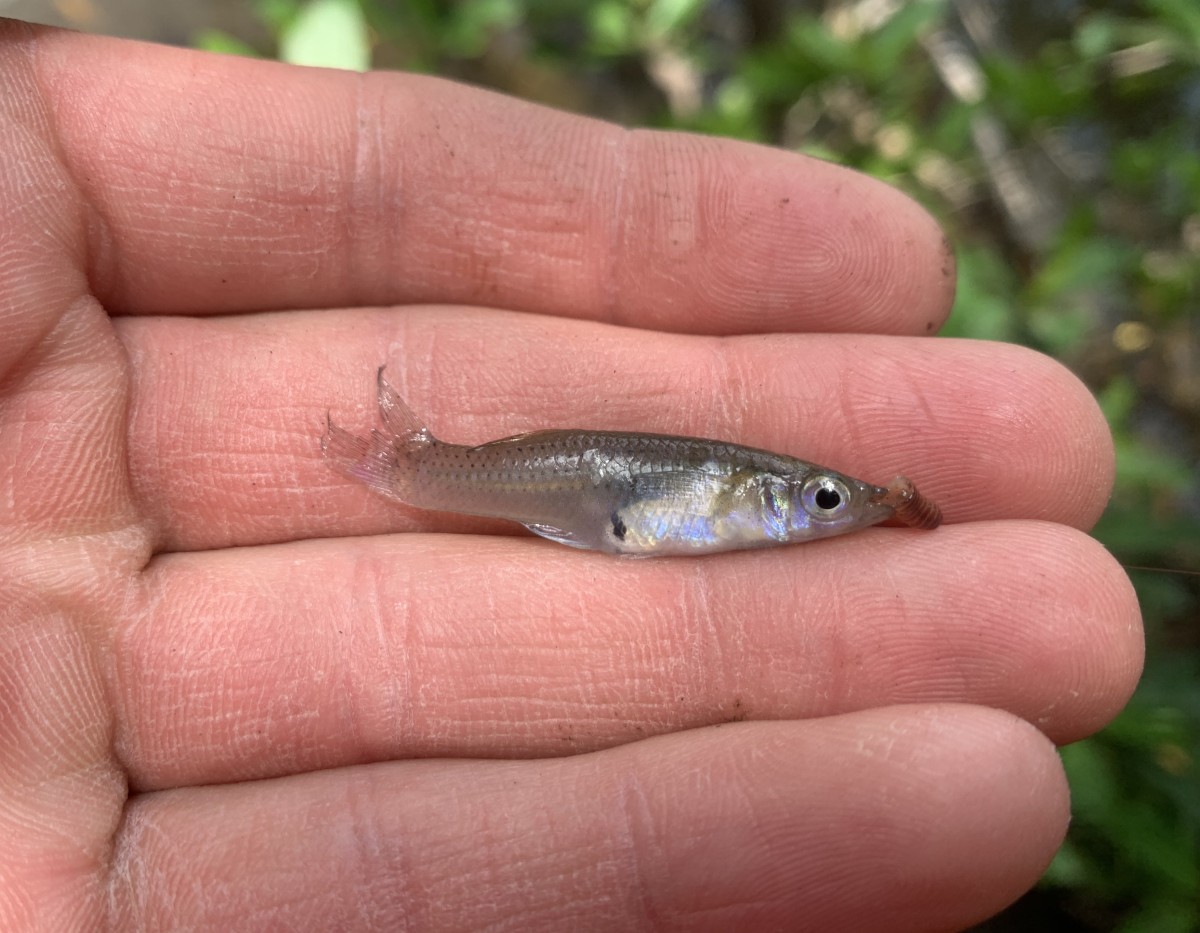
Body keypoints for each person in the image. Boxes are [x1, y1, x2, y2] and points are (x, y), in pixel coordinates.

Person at [0, 18, 1142, 932]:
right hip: (587, 494)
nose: (825, 511)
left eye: (826, 499)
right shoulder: (732, 494)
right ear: (765, 496)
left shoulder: (755, 502)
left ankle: (410, 461)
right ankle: (409, 462)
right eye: (820, 501)